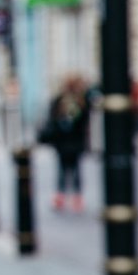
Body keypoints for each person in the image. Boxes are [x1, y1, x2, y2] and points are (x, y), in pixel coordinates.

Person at [43, 74, 92, 213]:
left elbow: (52, 119)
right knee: (75, 169)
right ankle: (75, 197)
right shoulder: (80, 101)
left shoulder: (62, 100)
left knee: (63, 169)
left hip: (63, 142)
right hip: (74, 142)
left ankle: (62, 196)